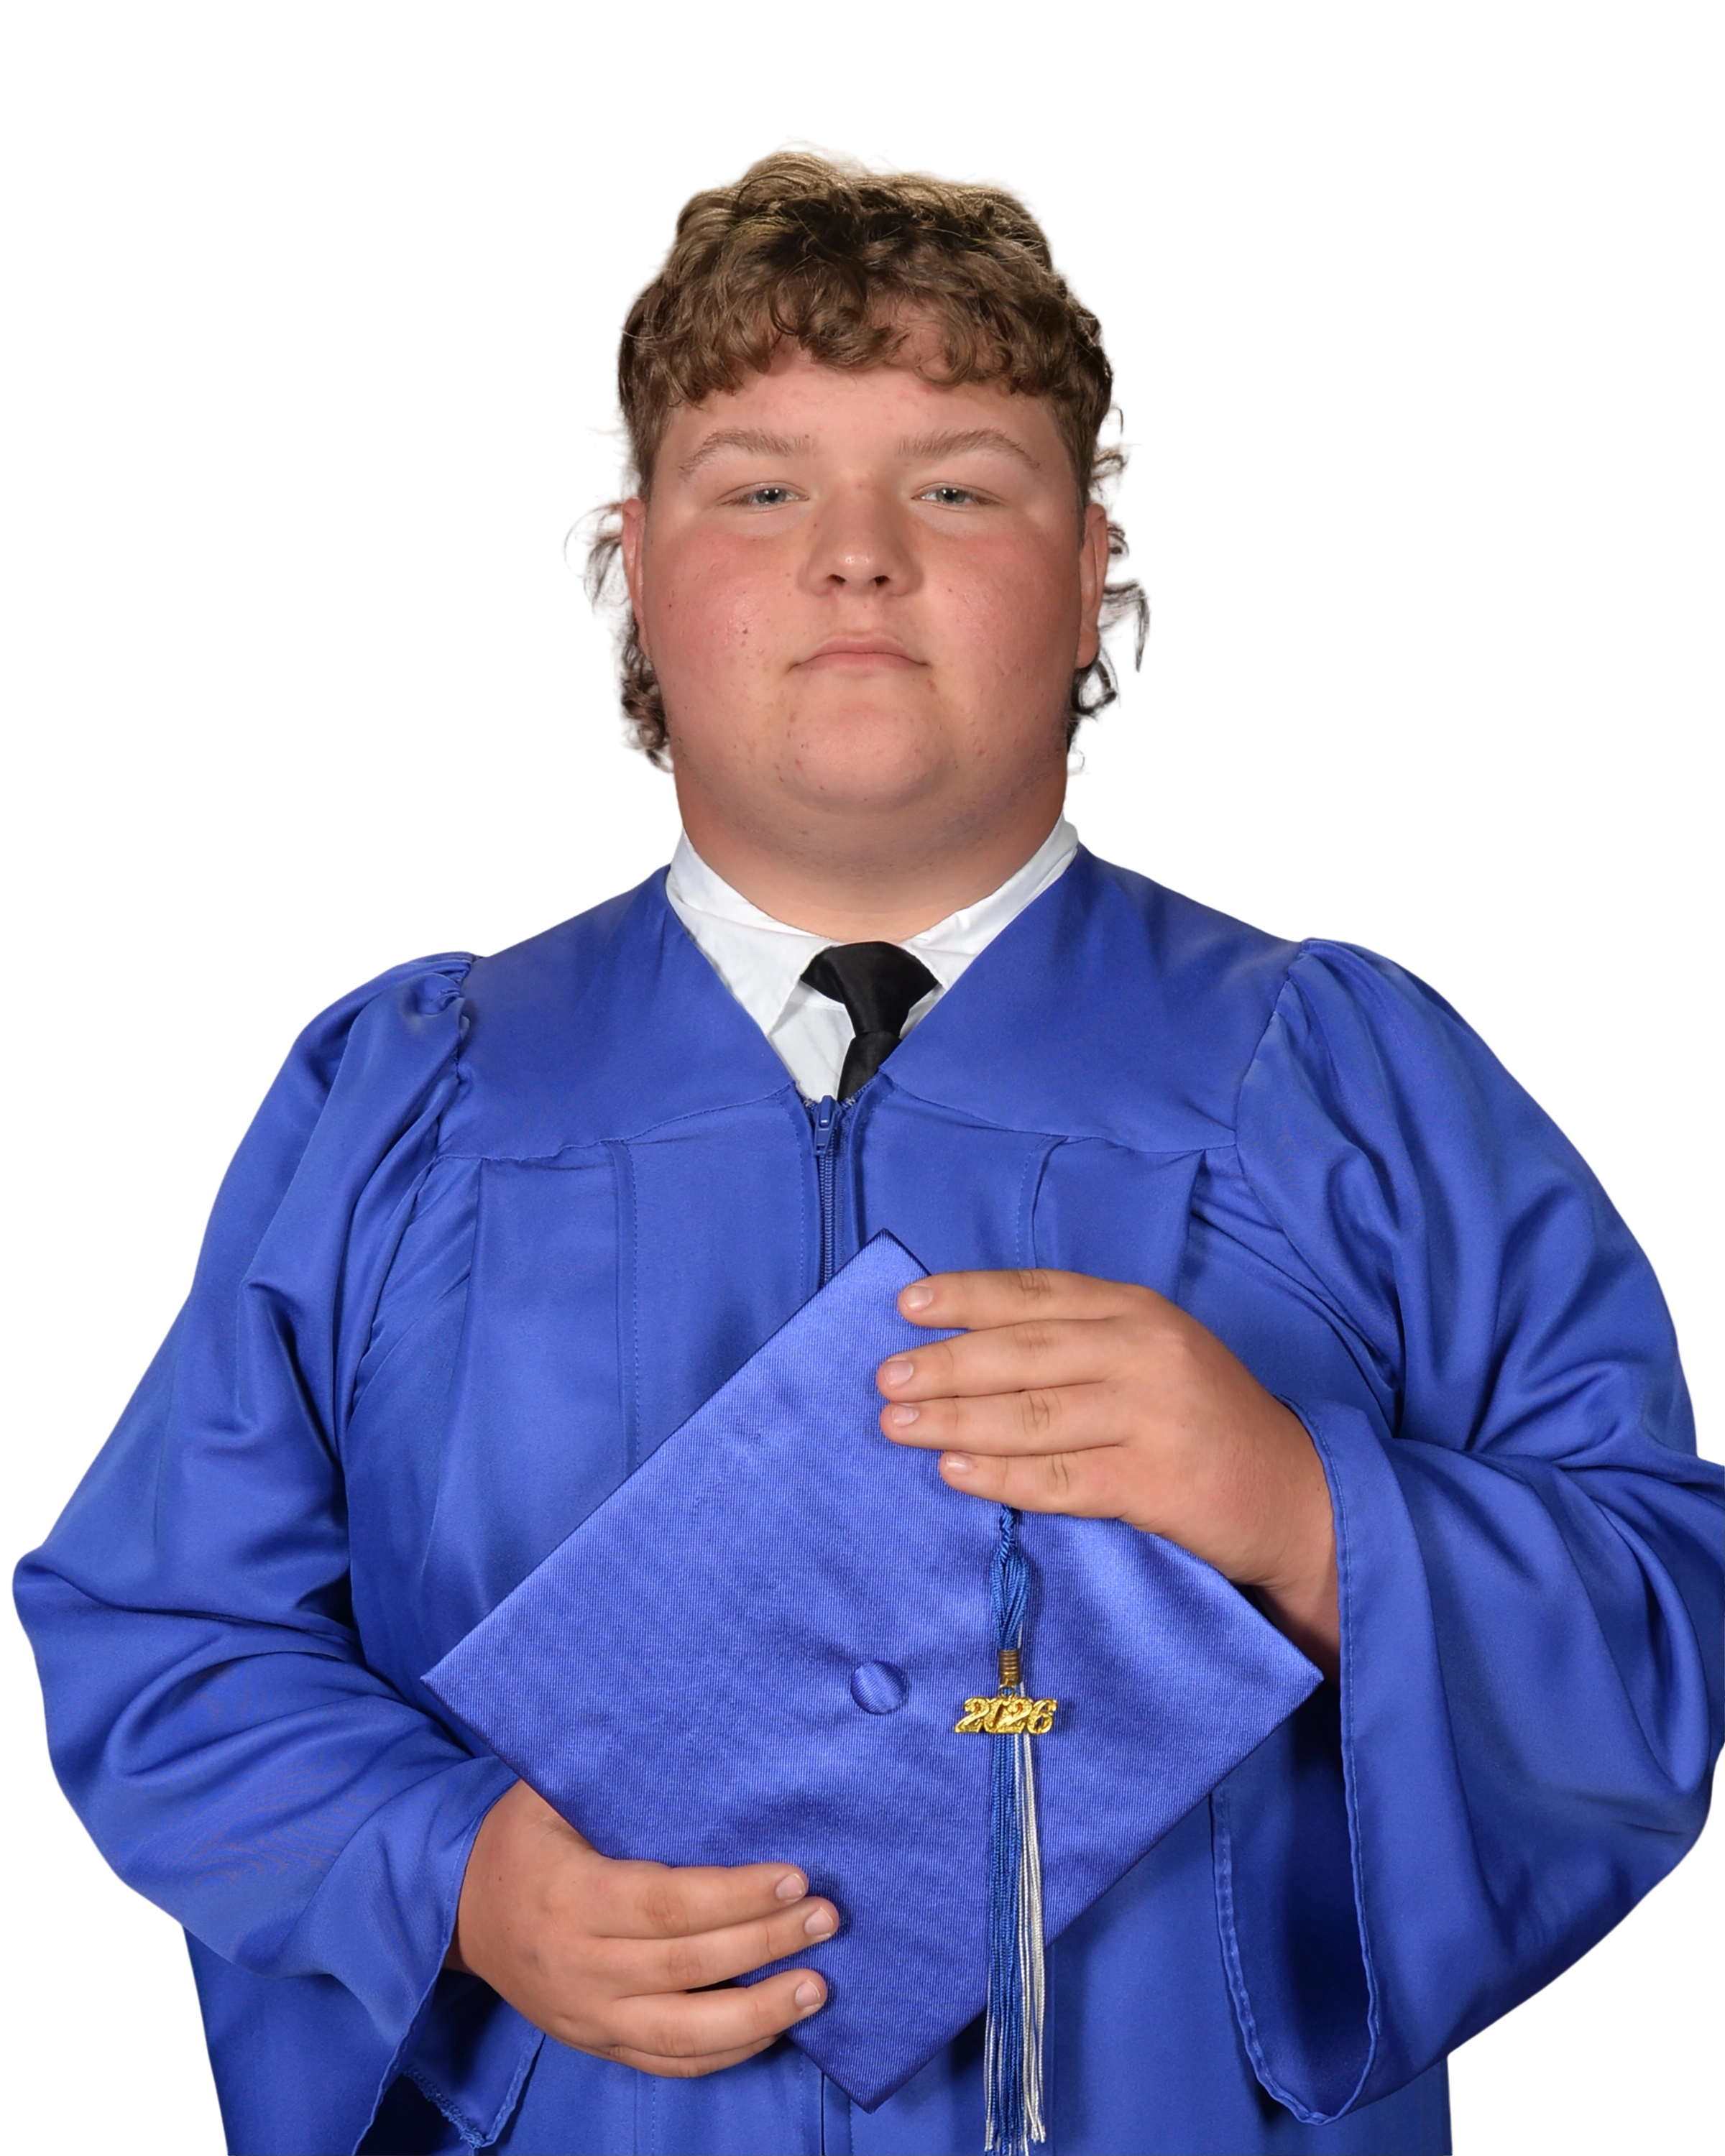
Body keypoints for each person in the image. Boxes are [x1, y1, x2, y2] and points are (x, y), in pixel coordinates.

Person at [12, 138, 1721, 2156]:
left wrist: (1306, 1511)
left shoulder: (1350, 1081)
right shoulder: (408, 1101)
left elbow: (1664, 1610)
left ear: (1095, 570)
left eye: (960, 486)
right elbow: (162, 1637)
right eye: (758, 488)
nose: (857, 557)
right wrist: (453, 1872)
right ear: (628, 566)